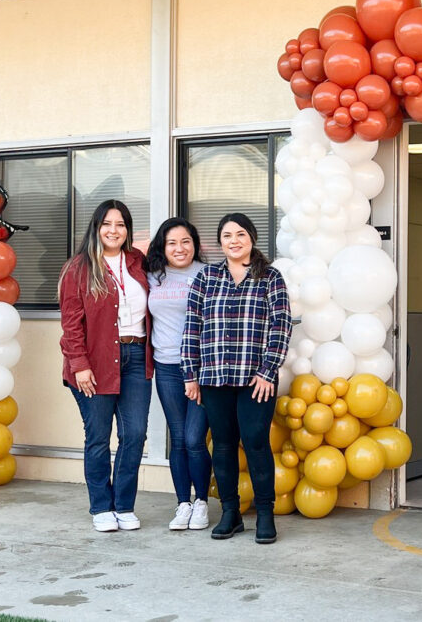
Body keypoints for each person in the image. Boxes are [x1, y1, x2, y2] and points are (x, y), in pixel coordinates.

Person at [182, 213, 291, 544]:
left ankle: (265, 514)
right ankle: (230, 513)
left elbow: (281, 325)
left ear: (252, 239)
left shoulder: (270, 278)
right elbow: (192, 327)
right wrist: (191, 374)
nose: (234, 240)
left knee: (257, 443)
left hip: (256, 379)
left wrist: (268, 369)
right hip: (214, 377)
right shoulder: (206, 278)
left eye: (240, 234)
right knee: (224, 445)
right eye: (227, 235)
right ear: (220, 242)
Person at [59, 199, 153, 532]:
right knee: (98, 437)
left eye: (121, 225)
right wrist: (80, 364)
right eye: (107, 224)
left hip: (137, 357)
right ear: (96, 227)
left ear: (128, 230)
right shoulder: (79, 268)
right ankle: (101, 506)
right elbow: (71, 323)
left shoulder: (137, 261)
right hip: (94, 362)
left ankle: (123, 505)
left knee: (135, 434)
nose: (114, 231)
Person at [146, 218, 211, 531]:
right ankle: (182, 503)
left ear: (195, 244)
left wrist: (198, 370)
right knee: (178, 438)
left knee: (195, 438)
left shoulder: (207, 274)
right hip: (166, 366)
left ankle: (202, 503)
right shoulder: (152, 276)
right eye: (172, 243)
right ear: (163, 246)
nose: (179, 248)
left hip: (199, 368)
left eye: (185, 241)